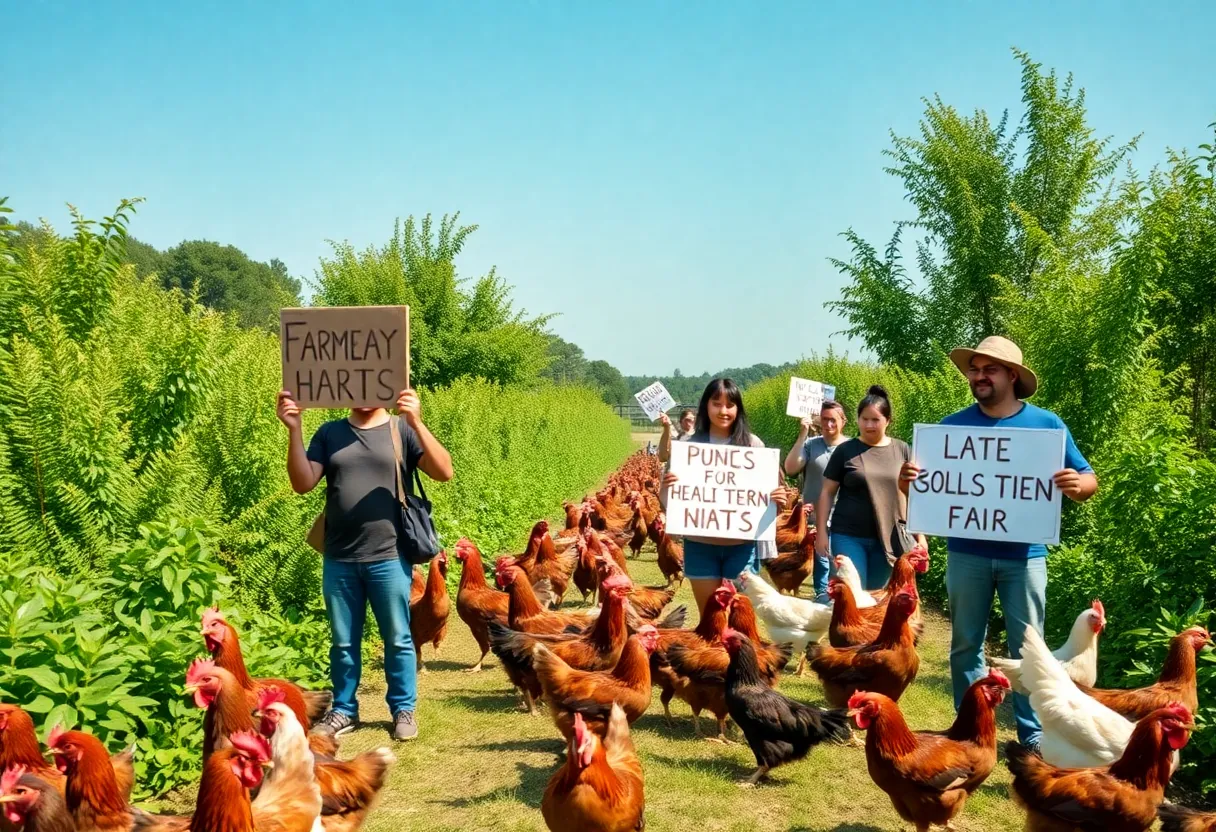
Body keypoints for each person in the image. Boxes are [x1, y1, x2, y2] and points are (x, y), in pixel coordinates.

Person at [899, 336, 1097, 753]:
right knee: (965, 643)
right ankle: (970, 728)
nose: (979, 376)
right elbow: (926, 486)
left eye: (989, 369)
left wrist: (1077, 486)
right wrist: (908, 482)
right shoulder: (950, 428)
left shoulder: (1047, 426)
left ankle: (1033, 734)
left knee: (1030, 650)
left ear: (1012, 376)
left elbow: (1088, 479)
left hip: (1025, 558)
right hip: (966, 554)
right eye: (974, 369)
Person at [277, 386, 454, 742]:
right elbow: (302, 483)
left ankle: (403, 708)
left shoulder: (401, 430)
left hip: (389, 556)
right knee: (343, 642)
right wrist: (294, 429)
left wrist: (417, 422)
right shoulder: (330, 432)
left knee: (398, 638)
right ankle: (344, 710)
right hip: (340, 558)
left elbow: (444, 471)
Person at [660, 379, 789, 617]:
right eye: (716, 403)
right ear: (705, 406)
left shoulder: (753, 445)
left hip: (741, 547)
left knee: (738, 622)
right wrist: (669, 488)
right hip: (700, 545)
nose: (723, 411)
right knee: (711, 620)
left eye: (730, 405)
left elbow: (768, 503)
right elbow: (669, 502)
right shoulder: (687, 446)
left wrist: (776, 500)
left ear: (738, 409)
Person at [814, 385, 926, 592]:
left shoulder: (902, 450)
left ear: (888, 421)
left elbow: (913, 495)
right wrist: (822, 531)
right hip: (847, 535)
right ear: (857, 420)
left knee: (875, 599)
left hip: (889, 539)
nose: (869, 425)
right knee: (853, 596)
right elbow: (827, 492)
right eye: (864, 419)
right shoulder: (845, 450)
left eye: (875, 419)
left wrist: (920, 536)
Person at [783, 400, 849, 599]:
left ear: (843, 421)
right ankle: (822, 598)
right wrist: (803, 433)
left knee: (837, 559)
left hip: (843, 515)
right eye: (825, 420)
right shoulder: (812, 445)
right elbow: (791, 468)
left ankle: (837, 598)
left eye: (833, 420)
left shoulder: (851, 447)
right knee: (821, 559)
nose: (829, 425)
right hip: (815, 515)